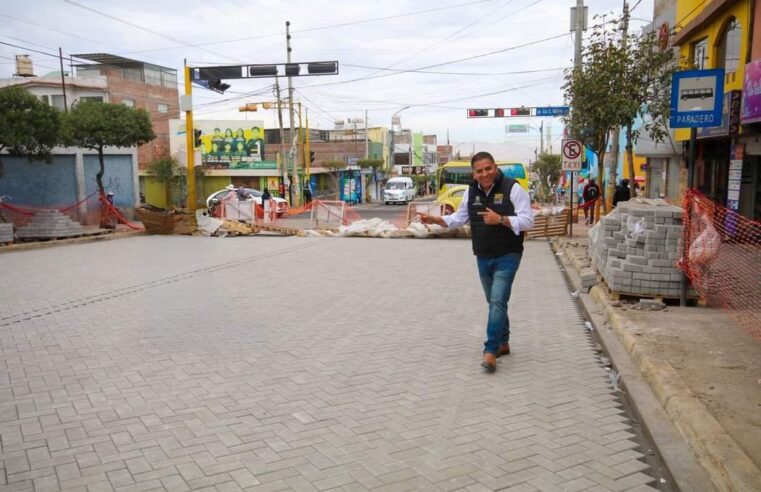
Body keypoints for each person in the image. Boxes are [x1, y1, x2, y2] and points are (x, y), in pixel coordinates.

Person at [417, 152, 534, 373]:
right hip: (482, 254)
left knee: (498, 300)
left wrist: (500, 219)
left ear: (495, 167)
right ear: (474, 173)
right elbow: (459, 218)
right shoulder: (471, 191)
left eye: (488, 168)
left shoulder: (513, 188)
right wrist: (435, 219)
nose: (485, 174)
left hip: (508, 254)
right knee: (494, 301)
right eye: (479, 171)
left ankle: (490, 351)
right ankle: (504, 341)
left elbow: (528, 221)